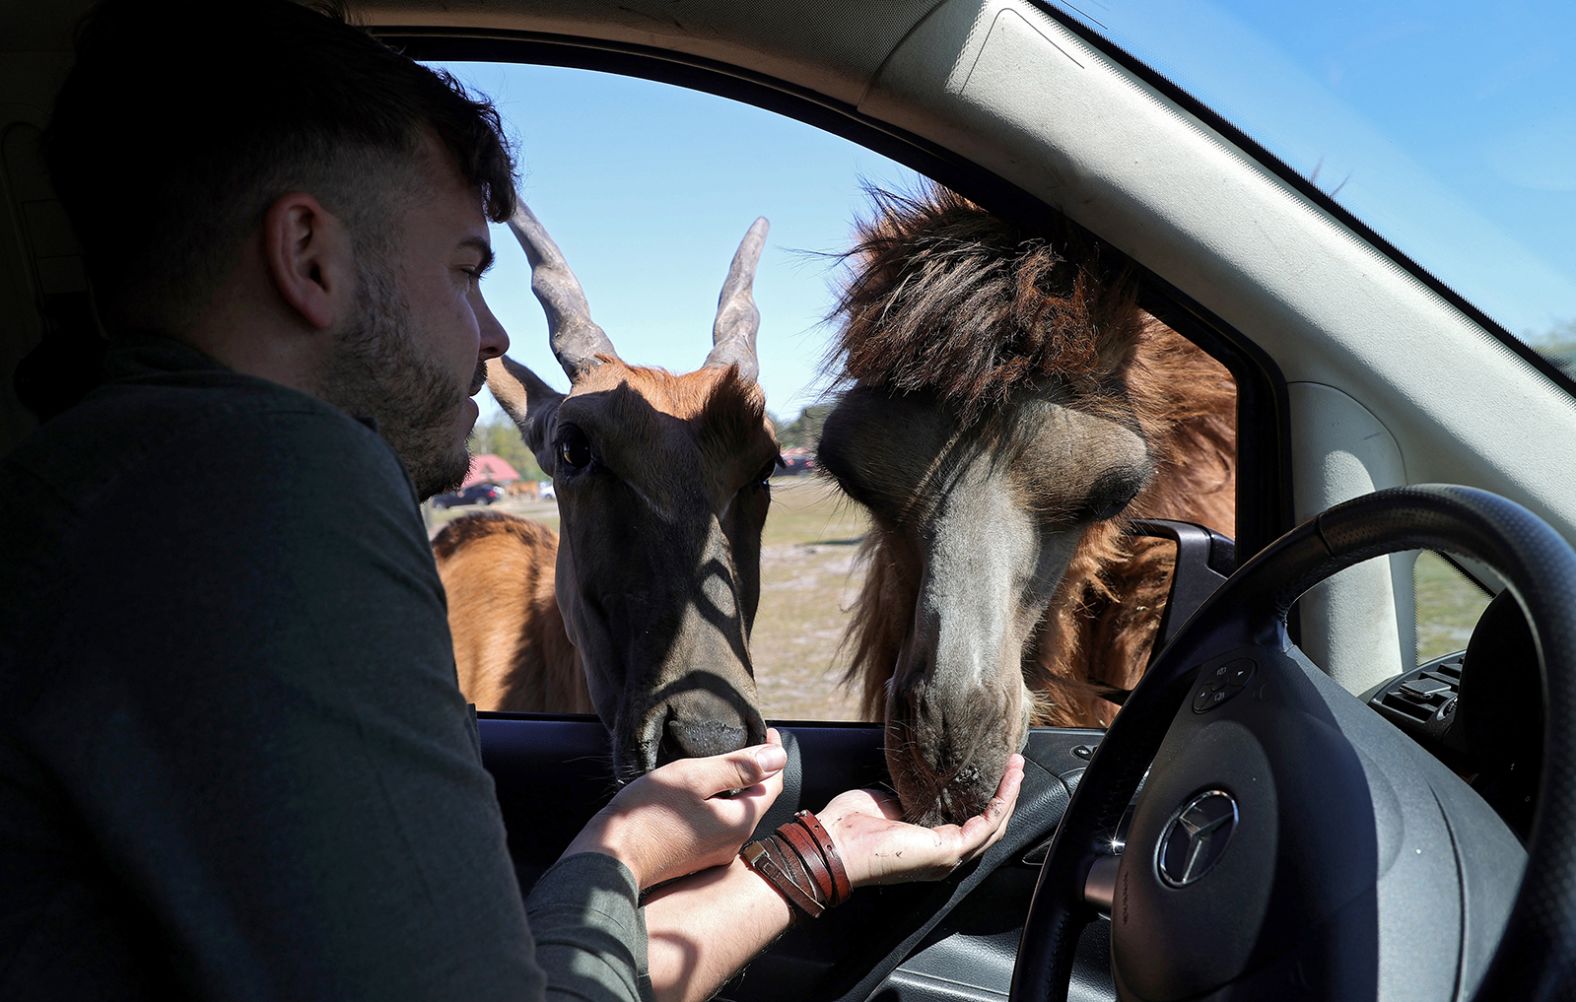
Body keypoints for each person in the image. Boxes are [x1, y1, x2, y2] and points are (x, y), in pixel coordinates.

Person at [0, 3, 1024, 1001]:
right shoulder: (251, 483)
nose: (491, 336)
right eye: (463, 269)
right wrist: (631, 862)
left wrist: (810, 852)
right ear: (309, 258)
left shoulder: (112, 491)